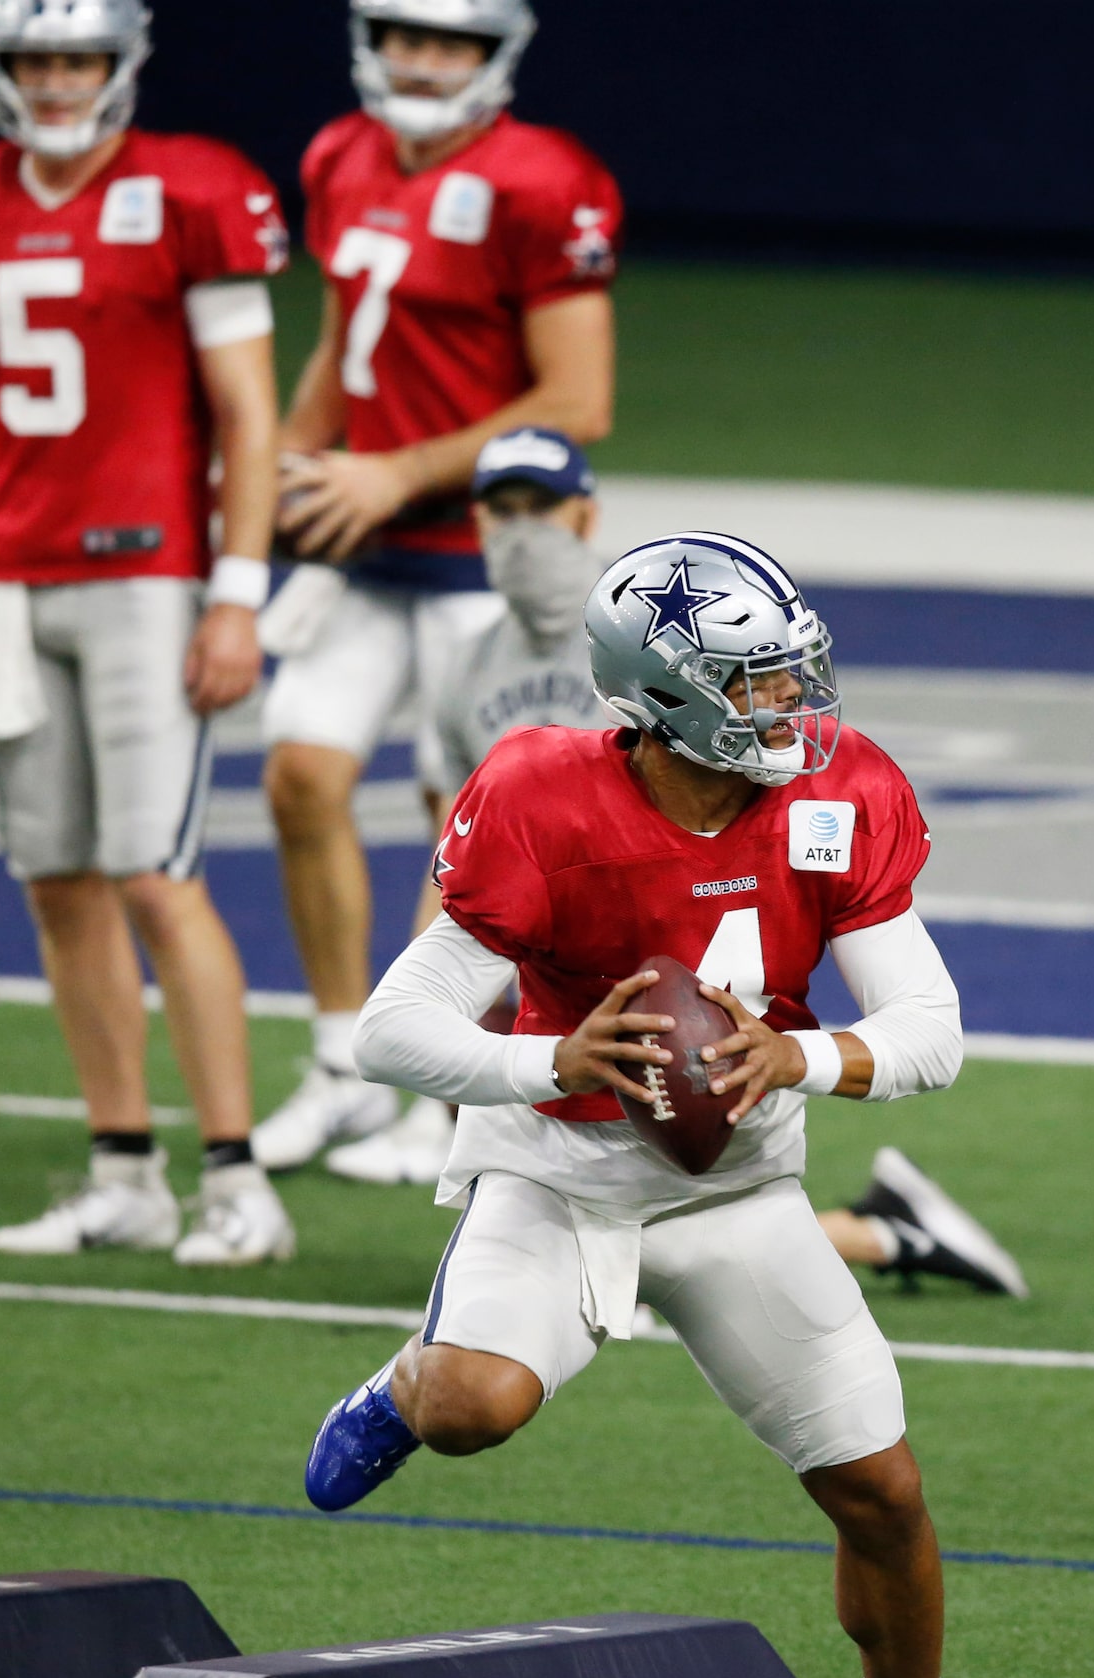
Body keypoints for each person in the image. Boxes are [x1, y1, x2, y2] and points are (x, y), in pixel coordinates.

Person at [306, 533, 1061, 1678]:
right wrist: (555, 1055)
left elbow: (929, 1025)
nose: (790, 706)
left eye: (790, 674)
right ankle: (405, 1381)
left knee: (880, 1486)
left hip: (740, 1183)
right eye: (756, 682)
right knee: (474, 1408)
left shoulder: (842, 793)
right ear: (661, 694)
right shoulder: (543, 790)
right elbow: (391, 1028)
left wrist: (801, 1052)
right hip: (558, 1162)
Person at [316, 427, 1031, 1300]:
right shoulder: (479, 676)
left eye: (541, 505)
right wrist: (472, 1007)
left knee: (678, 1187)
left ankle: (873, 1231)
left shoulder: (760, 712)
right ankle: (878, 1228)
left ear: (586, 510)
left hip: (699, 974)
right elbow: (454, 860)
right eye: (500, 509)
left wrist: (792, 1054)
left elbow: (927, 1027)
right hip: (572, 955)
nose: (523, 529)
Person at [0, 0, 296, 1266]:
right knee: (57, 883)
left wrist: (236, 589)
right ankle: (125, 1168)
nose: (56, 82)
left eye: (78, 58)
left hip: (148, 575)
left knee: (159, 880)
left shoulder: (191, 189)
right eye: (34, 59)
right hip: (10, 581)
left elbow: (247, 416)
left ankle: (238, 1183)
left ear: (120, 66)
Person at [249, 0, 619, 1178]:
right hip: (366, 547)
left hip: (484, 564)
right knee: (301, 775)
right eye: (406, 35)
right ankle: (335, 1064)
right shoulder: (339, 156)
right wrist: (282, 484)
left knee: (473, 832)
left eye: (449, 43)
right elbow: (339, 347)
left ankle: (444, 1091)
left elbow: (578, 398)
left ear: (493, 55)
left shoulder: (542, 181)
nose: (422, 61)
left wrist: (398, 471)